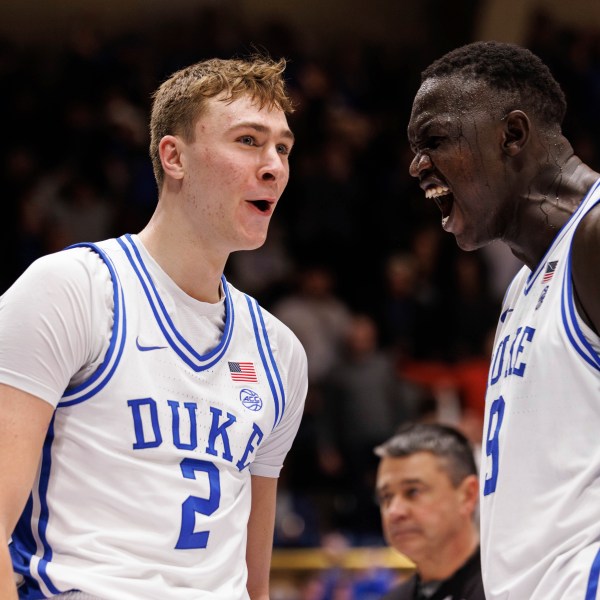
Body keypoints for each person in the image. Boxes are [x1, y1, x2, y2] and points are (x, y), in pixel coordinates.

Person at [0, 55, 308, 600]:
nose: (274, 166)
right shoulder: (72, 290)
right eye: (248, 140)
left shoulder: (280, 352)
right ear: (174, 157)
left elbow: (254, 583)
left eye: (282, 147)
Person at [407, 39, 600, 599]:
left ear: (512, 135)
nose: (417, 165)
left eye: (435, 140)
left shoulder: (594, 238)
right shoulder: (521, 287)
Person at [374, 423, 484, 600]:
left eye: (413, 491)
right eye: (386, 497)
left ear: (467, 495)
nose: (394, 511)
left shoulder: (509, 590)